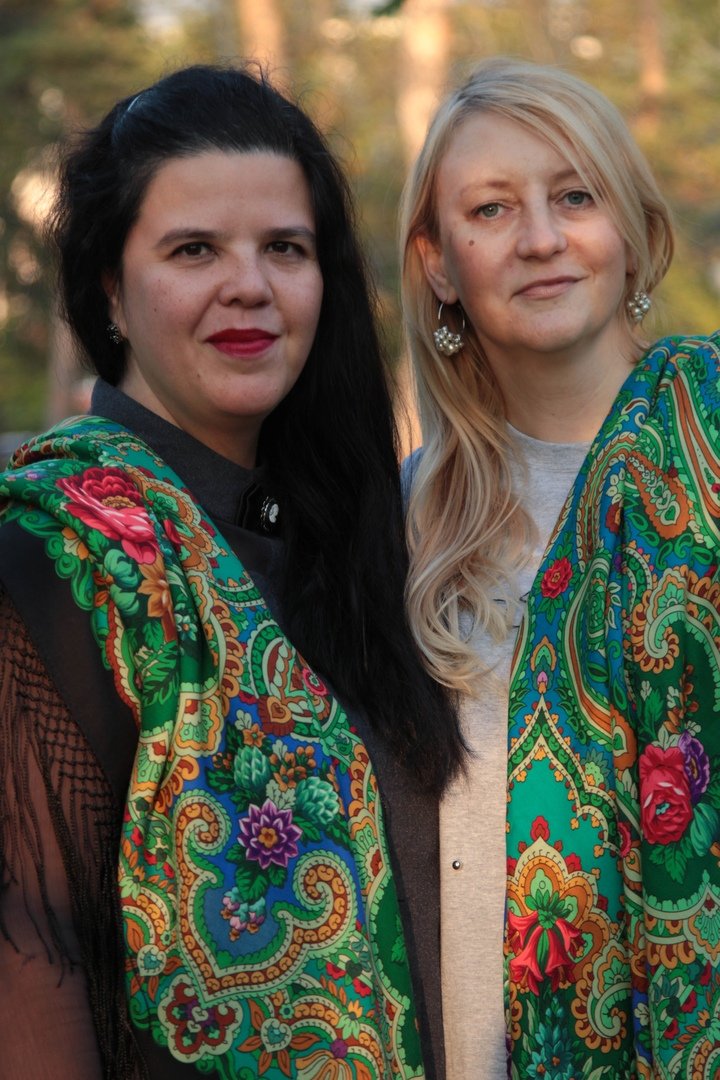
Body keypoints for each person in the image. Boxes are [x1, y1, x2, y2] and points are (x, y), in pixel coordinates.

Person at [0, 64, 464, 1079]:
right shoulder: (45, 553)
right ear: (111, 290)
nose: (249, 285)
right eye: (194, 249)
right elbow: (29, 962)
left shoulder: (363, 547)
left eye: (284, 248)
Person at [399, 56, 720, 1079]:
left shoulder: (709, 447)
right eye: (491, 209)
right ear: (438, 263)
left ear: (632, 230)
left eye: (575, 196)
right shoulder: (400, 521)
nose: (540, 238)